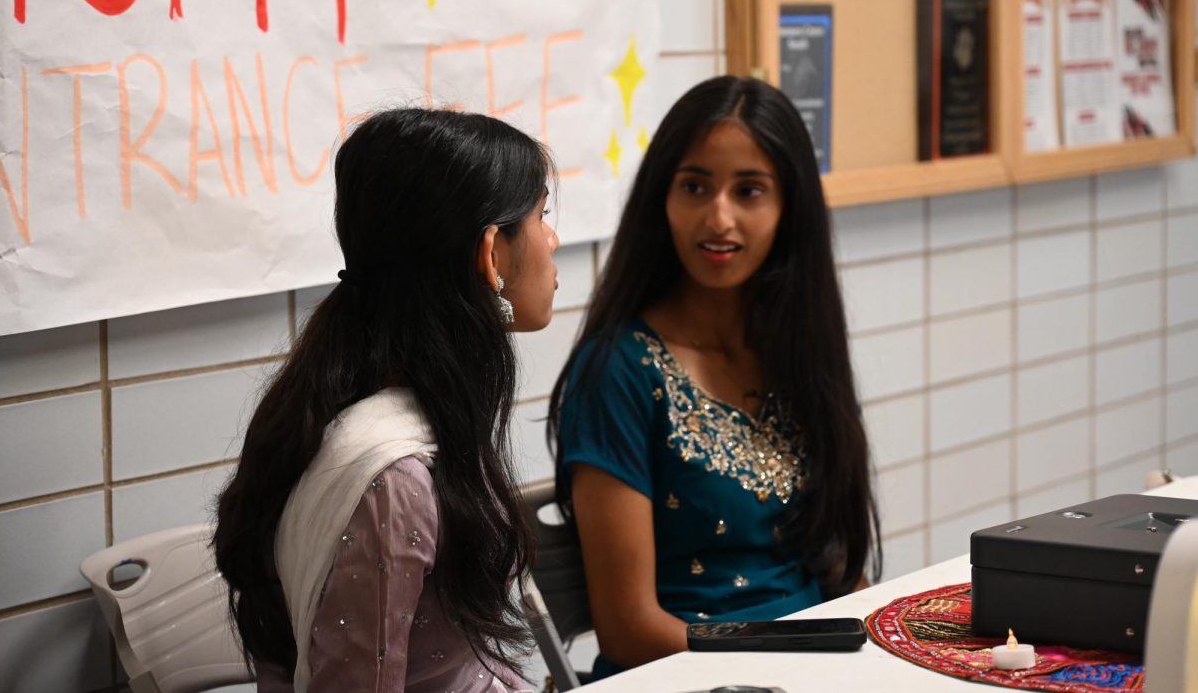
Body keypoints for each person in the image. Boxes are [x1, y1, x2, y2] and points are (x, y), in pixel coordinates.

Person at [213, 107, 559, 693]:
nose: (552, 240)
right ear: (492, 254)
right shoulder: (393, 480)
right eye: (541, 217)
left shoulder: (376, 406)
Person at [547, 75, 881, 677]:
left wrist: (879, 649)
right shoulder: (618, 370)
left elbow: (839, 570)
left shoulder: (798, 349)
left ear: (788, 208)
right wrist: (796, 658)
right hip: (685, 677)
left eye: (749, 190)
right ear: (662, 199)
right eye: (695, 186)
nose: (718, 217)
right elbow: (629, 632)